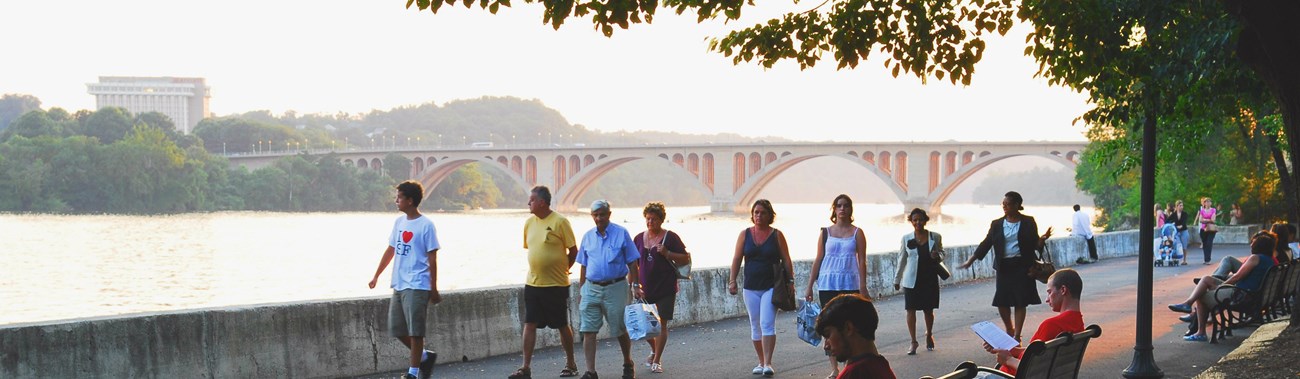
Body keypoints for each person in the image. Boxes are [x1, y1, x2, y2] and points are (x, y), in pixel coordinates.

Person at [367, 180, 442, 379]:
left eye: (399, 197)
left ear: (410, 200)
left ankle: (413, 373)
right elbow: (391, 249)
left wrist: (433, 288)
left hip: (418, 284)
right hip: (399, 283)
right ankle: (426, 357)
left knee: (416, 331)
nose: (396, 200)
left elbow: (432, 257)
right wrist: (376, 275)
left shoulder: (426, 225)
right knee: (397, 328)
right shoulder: (399, 223)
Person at [958, 191, 1051, 341]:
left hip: (1023, 265)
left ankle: (1016, 335)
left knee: (1020, 301)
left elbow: (1034, 244)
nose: (1005, 207)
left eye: (1008, 204)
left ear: (1017, 205)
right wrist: (971, 260)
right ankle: (1009, 328)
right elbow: (987, 243)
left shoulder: (1028, 221)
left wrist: (1042, 240)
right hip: (1004, 267)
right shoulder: (997, 224)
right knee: (1002, 301)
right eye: (1003, 204)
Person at [511, 186, 580, 379]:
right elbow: (533, 249)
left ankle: (571, 363)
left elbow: (573, 251)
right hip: (533, 283)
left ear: (542, 202)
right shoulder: (528, 223)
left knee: (561, 324)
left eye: (531, 200)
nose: (528, 204)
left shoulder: (560, 222)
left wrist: (564, 269)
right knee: (530, 323)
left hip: (556, 284)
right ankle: (525, 367)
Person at [576, 200, 643, 379]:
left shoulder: (621, 233)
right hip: (591, 288)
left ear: (609, 214)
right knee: (588, 330)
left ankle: (628, 362)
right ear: (592, 217)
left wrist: (635, 285)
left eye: (602, 214)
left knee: (619, 329)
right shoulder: (587, 236)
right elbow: (583, 265)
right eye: (595, 215)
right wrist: (581, 290)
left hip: (616, 287)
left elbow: (632, 262)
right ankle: (590, 371)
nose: (599, 218)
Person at [1169, 231, 1277, 341]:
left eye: (1253, 243)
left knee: (1202, 296)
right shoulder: (1269, 261)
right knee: (1206, 279)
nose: (1251, 245)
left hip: (1241, 294)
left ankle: (1200, 332)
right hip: (1252, 294)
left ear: (1259, 246)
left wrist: (1221, 287)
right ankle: (1188, 303)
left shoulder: (1255, 258)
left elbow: (1237, 277)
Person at [806, 194, 870, 378]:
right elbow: (818, 259)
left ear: (851, 209)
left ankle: (850, 362)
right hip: (828, 283)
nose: (842, 209)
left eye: (846, 206)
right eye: (839, 206)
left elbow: (862, 261)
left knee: (850, 325)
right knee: (829, 326)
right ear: (834, 209)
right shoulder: (825, 232)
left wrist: (863, 286)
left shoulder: (857, 233)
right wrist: (810, 285)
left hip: (850, 283)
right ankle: (834, 368)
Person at [729, 199, 794, 377]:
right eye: (756, 212)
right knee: (755, 325)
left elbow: (787, 260)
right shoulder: (745, 234)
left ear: (769, 215)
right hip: (750, 286)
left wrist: (790, 281)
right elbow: (736, 259)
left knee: (767, 323)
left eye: (762, 212)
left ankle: (768, 363)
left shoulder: (777, 235)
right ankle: (760, 361)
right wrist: (732, 280)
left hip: (771, 286)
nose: (758, 216)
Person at [981, 269, 1085, 376]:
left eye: (1049, 292)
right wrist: (1009, 349)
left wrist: (1007, 359)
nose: (1047, 299)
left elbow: (1034, 370)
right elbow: (1039, 354)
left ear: (1063, 290)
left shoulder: (1051, 325)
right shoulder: (1077, 323)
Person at [633, 202, 690, 374]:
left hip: (666, 287)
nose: (651, 222)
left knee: (662, 324)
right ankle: (654, 349)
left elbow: (685, 259)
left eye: (655, 219)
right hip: (645, 289)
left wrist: (668, 253)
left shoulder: (670, 237)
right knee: (645, 327)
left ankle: (657, 360)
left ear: (661, 220)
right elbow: (632, 265)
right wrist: (634, 285)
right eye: (648, 219)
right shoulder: (637, 239)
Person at [893, 208, 942, 356]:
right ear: (911, 221)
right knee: (910, 310)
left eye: (920, 219)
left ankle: (929, 334)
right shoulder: (906, 238)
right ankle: (913, 341)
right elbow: (901, 259)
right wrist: (897, 279)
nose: (918, 222)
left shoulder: (935, 236)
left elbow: (942, 253)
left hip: (929, 278)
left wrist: (937, 255)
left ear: (925, 220)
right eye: (915, 220)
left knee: (928, 310)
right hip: (911, 280)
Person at [815, 294, 897, 379]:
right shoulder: (880, 364)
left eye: (828, 335)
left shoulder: (854, 373)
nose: (826, 346)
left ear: (848, 328)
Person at [1195, 197, 1219, 265]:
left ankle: (1208, 259)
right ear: (1204, 203)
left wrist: (1205, 220)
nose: (1208, 203)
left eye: (1209, 202)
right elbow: (1200, 220)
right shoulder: (1202, 211)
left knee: (1209, 243)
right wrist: (1207, 220)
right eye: (1206, 202)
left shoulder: (1213, 210)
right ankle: (1206, 258)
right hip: (1203, 229)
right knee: (1205, 244)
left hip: (1211, 229)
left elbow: (1213, 219)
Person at [1167, 200, 1191, 265]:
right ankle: (1175, 258)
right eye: (1180, 206)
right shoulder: (1174, 214)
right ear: (1176, 206)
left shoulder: (1185, 214)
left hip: (1184, 231)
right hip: (1176, 231)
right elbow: (1167, 220)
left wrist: (1181, 226)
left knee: (1184, 245)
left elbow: (1184, 222)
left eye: (1182, 206)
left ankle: (1184, 260)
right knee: (1175, 244)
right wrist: (1172, 224)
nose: (1181, 207)